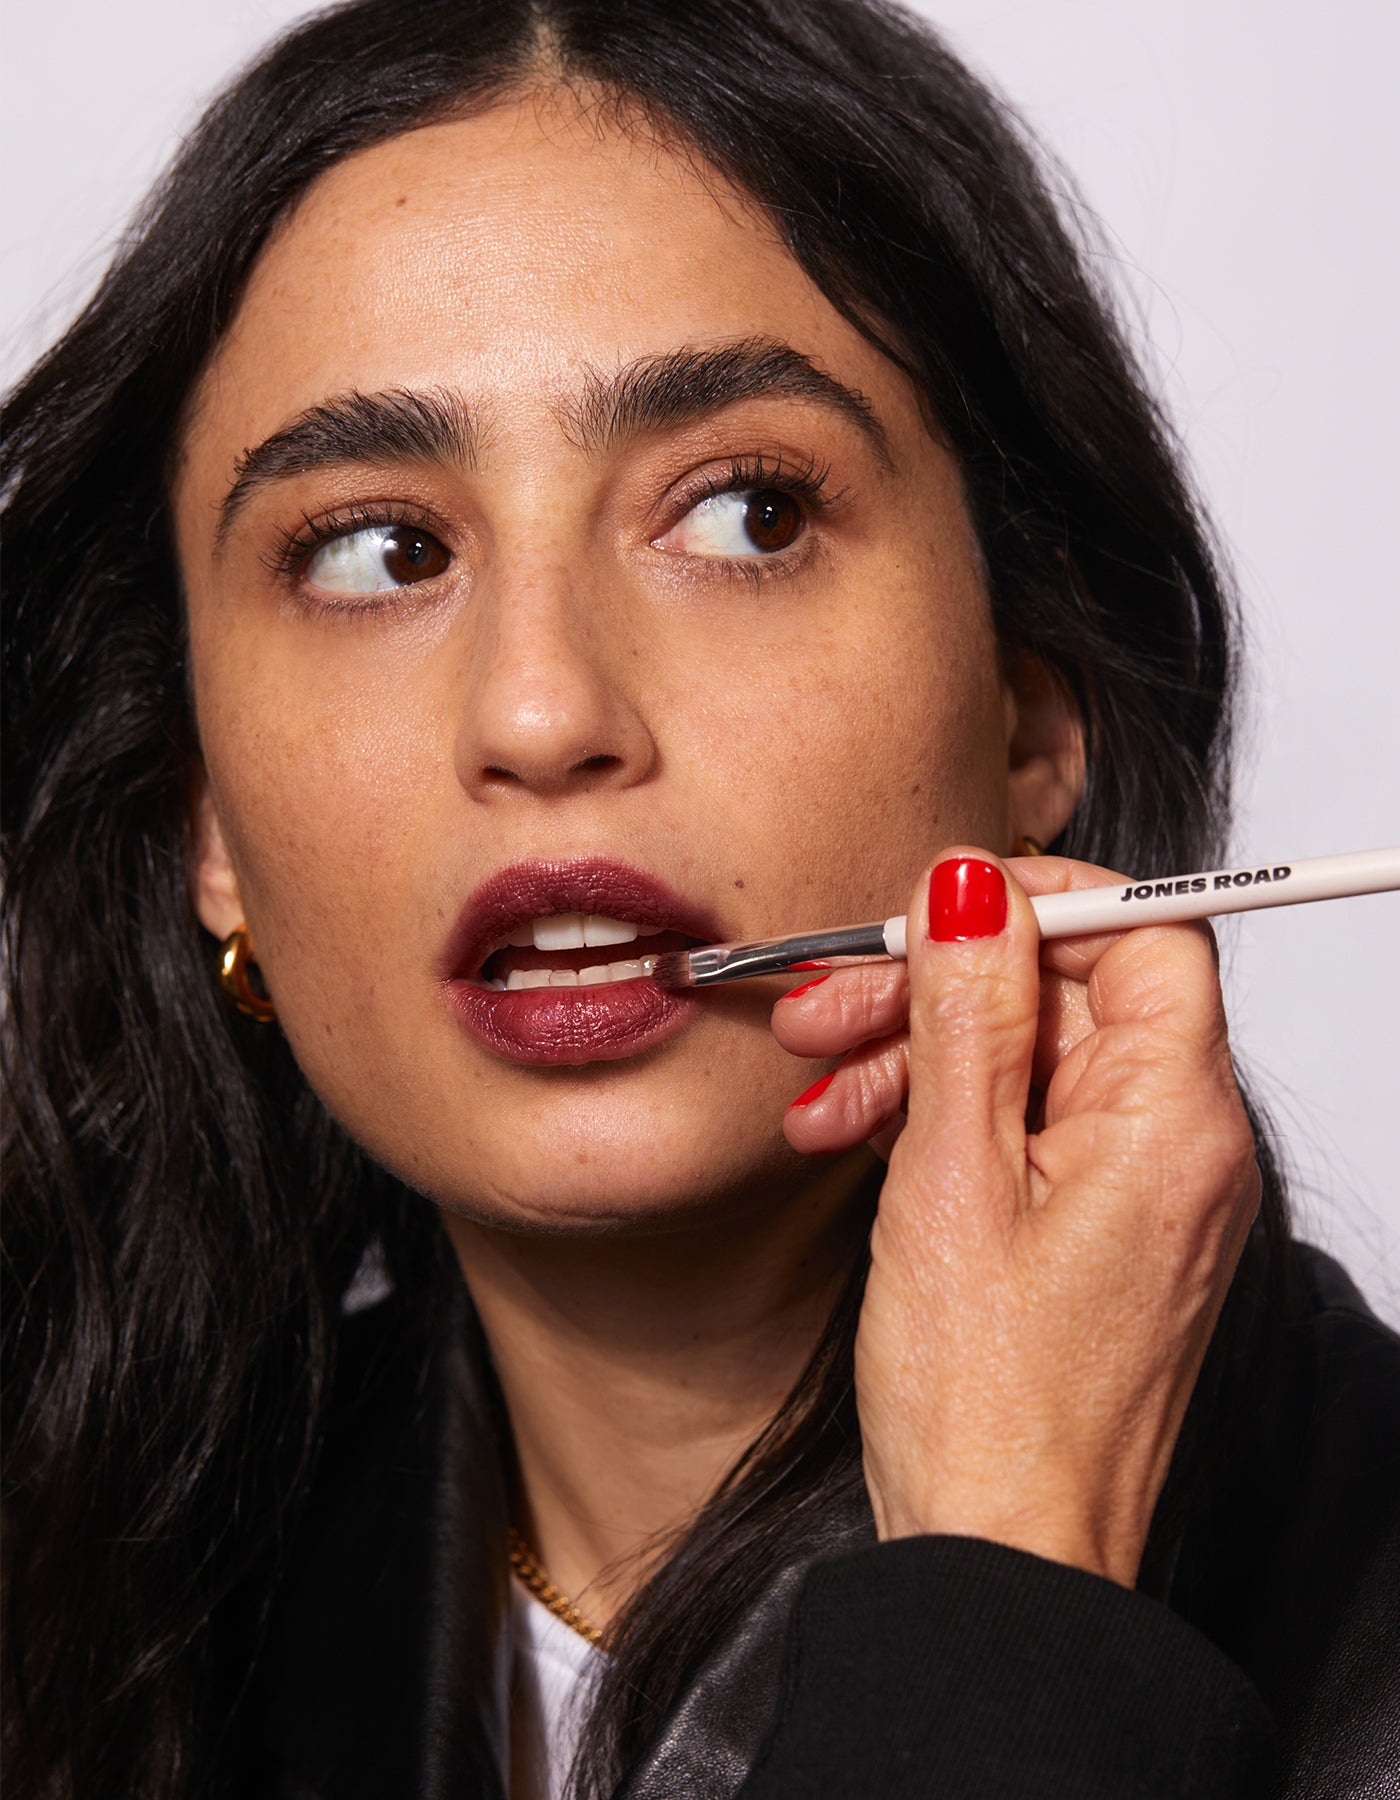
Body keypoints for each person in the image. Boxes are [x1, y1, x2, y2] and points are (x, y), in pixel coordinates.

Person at [2, 1, 1396, 1796]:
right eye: (380, 551)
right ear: (206, 820)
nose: (542, 711)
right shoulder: (94, 1612)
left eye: (743, 514)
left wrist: (1006, 1585)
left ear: (1032, 708)